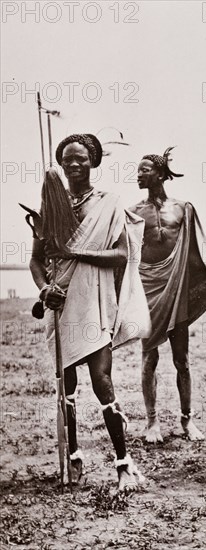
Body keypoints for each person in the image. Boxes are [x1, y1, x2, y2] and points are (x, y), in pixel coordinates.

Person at [28, 134, 150, 491]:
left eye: (81, 158)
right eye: (67, 159)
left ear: (93, 161)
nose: (74, 165)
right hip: (60, 302)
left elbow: (121, 256)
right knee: (65, 386)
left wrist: (78, 253)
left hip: (95, 301)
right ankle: (73, 459)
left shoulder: (108, 204)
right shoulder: (51, 205)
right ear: (60, 164)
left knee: (102, 381)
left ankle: (124, 463)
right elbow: (37, 260)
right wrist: (43, 288)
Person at [129, 148, 206, 443]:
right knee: (149, 357)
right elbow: (129, 255)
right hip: (147, 287)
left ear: (159, 174)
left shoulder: (183, 208)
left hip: (177, 287)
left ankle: (187, 421)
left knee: (182, 359)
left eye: (144, 169)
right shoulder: (133, 213)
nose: (138, 174)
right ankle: (152, 422)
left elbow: (198, 248)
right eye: (138, 170)